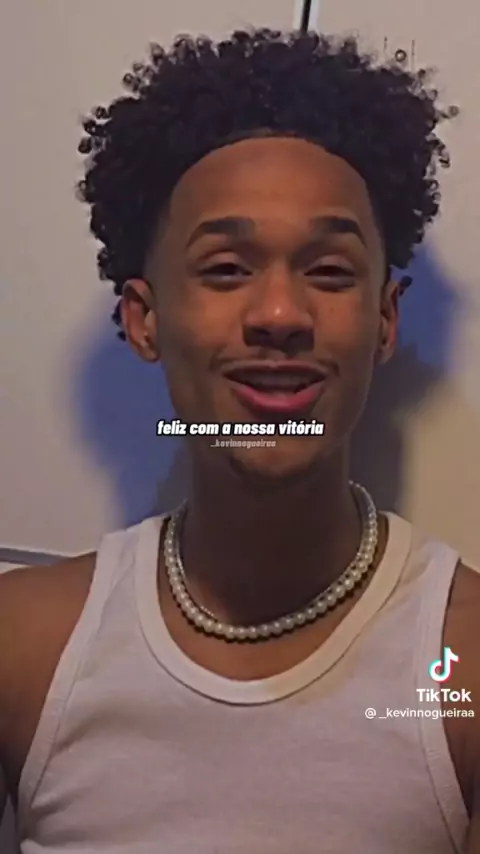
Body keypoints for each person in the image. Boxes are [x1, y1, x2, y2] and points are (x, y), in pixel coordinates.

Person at [1, 26, 479, 853]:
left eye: (329, 271)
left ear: (384, 320)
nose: (281, 314)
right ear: (143, 319)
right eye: (226, 269)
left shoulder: (461, 661)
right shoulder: (25, 647)